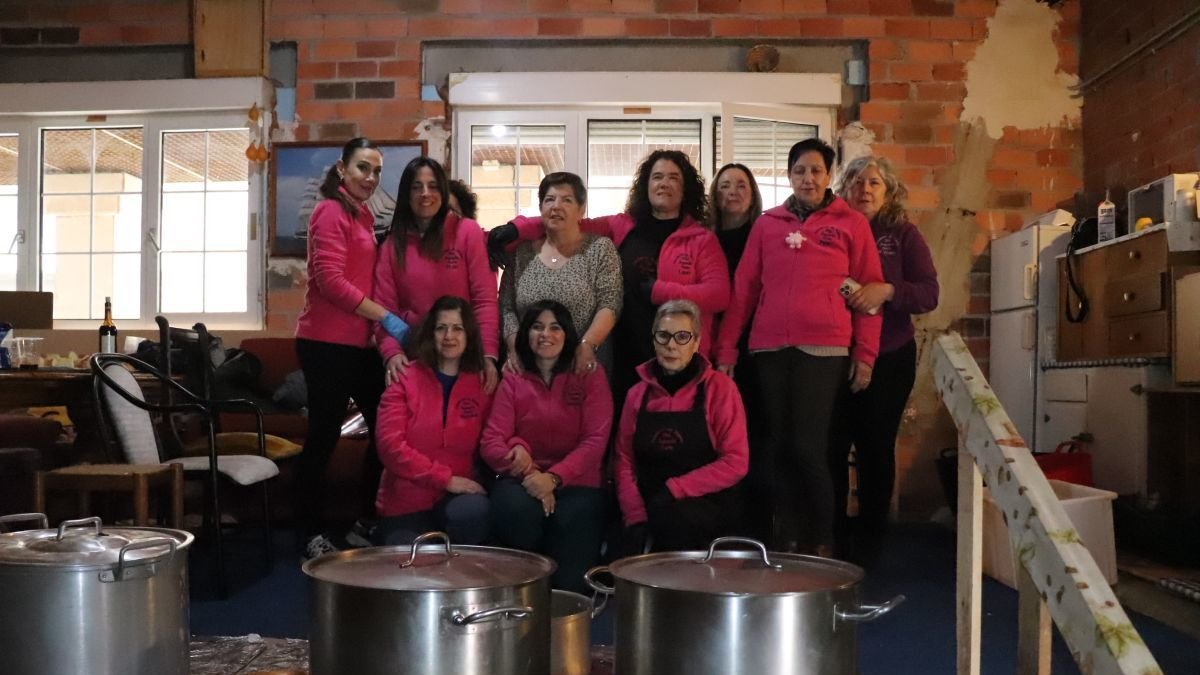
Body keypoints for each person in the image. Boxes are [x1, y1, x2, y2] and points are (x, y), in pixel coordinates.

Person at [715, 138, 884, 557]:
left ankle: (820, 543)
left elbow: (868, 297)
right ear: (789, 176)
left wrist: (865, 355)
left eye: (816, 171)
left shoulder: (851, 224)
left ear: (829, 177)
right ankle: (781, 542)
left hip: (824, 349)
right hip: (769, 348)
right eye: (799, 171)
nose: (807, 179)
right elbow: (744, 292)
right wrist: (727, 350)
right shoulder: (768, 224)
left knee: (809, 448)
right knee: (775, 447)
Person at [490, 150, 729, 407]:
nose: (664, 183)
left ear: (686, 188)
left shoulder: (701, 239)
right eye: (657, 176)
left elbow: (718, 294)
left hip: (679, 353)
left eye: (673, 178)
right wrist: (516, 228)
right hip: (627, 352)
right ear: (646, 185)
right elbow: (566, 223)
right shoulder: (622, 226)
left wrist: (660, 290)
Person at [294, 137, 412, 559]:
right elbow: (330, 280)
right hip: (325, 342)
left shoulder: (361, 216)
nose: (370, 177)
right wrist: (384, 316)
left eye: (377, 171)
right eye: (363, 168)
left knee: (386, 430)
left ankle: (364, 520)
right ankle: (309, 533)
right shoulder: (329, 210)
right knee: (324, 437)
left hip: (360, 345)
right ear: (342, 170)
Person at [829, 155, 939, 564]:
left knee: (875, 447)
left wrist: (887, 291)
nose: (865, 189)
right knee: (833, 448)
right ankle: (836, 542)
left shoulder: (902, 234)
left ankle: (872, 544)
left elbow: (928, 294)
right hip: (835, 356)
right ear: (842, 189)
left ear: (888, 190)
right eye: (856, 181)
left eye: (874, 182)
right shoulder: (832, 228)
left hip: (891, 356)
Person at [482, 301, 611, 592]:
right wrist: (530, 470)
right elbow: (491, 442)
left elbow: (595, 441)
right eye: (537, 327)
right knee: (514, 510)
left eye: (555, 327)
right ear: (526, 334)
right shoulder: (513, 378)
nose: (546, 334)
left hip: (579, 482)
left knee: (572, 568)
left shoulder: (590, 374)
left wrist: (553, 479)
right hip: (523, 480)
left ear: (567, 334)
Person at [615, 300, 748, 553]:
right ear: (654, 340)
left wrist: (675, 489)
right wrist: (634, 515)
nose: (671, 345)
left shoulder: (720, 389)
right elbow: (624, 459)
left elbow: (736, 462)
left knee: (674, 522)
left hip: (706, 503)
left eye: (682, 336)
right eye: (663, 336)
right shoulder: (636, 394)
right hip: (649, 501)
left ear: (697, 343)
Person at [374, 157, 500, 394]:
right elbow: (383, 308)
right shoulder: (391, 246)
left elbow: (484, 300)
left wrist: (488, 355)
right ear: (406, 195)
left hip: (465, 357)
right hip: (413, 356)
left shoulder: (467, 232)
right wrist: (392, 352)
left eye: (432, 186)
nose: (425, 193)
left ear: (442, 190)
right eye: (416, 187)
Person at [374, 296, 493, 545]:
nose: (449, 336)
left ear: (469, 335)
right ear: (431, 334)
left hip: (459, 497)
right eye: (441, 328)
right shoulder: (405, 377)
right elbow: (389, 447)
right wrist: (445, 479)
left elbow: (496, 435)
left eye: (458, 328)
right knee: (412, 570)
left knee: (474, 513)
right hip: (406, 501)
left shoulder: (482, 384)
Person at [500, 172, 622, 378]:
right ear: (541, 208)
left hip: (583, 365)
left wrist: (587, 345)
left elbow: (610, 303)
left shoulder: (600, 249)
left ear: (581, 210)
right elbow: (506, 307)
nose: (556, 206)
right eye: (549, 200)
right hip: (530, 366)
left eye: (567, 200)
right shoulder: (522, 253)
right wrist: (514, 348)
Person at [705, 163, 768, 540]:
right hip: (712, 345)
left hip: (755, 345)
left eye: (741, 184)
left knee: (753, 436)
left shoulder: (764, 234)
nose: (733, 191)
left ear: (753, 192)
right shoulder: (703, 237)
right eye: (725, 185)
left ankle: (754, 528)